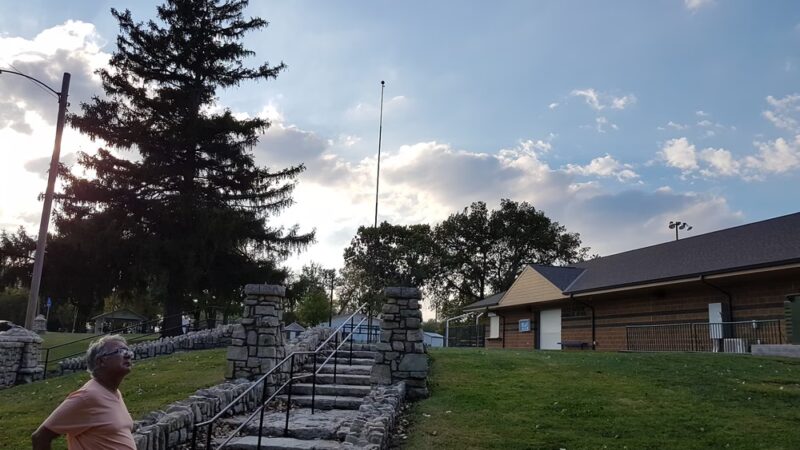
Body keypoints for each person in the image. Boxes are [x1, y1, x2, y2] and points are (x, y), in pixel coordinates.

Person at [31, 335, 136, 449]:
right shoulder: (88, 396)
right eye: (120, 351)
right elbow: (40, 437)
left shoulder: (114, 392)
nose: (128, 355)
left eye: (127, 350)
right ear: (101, 361)